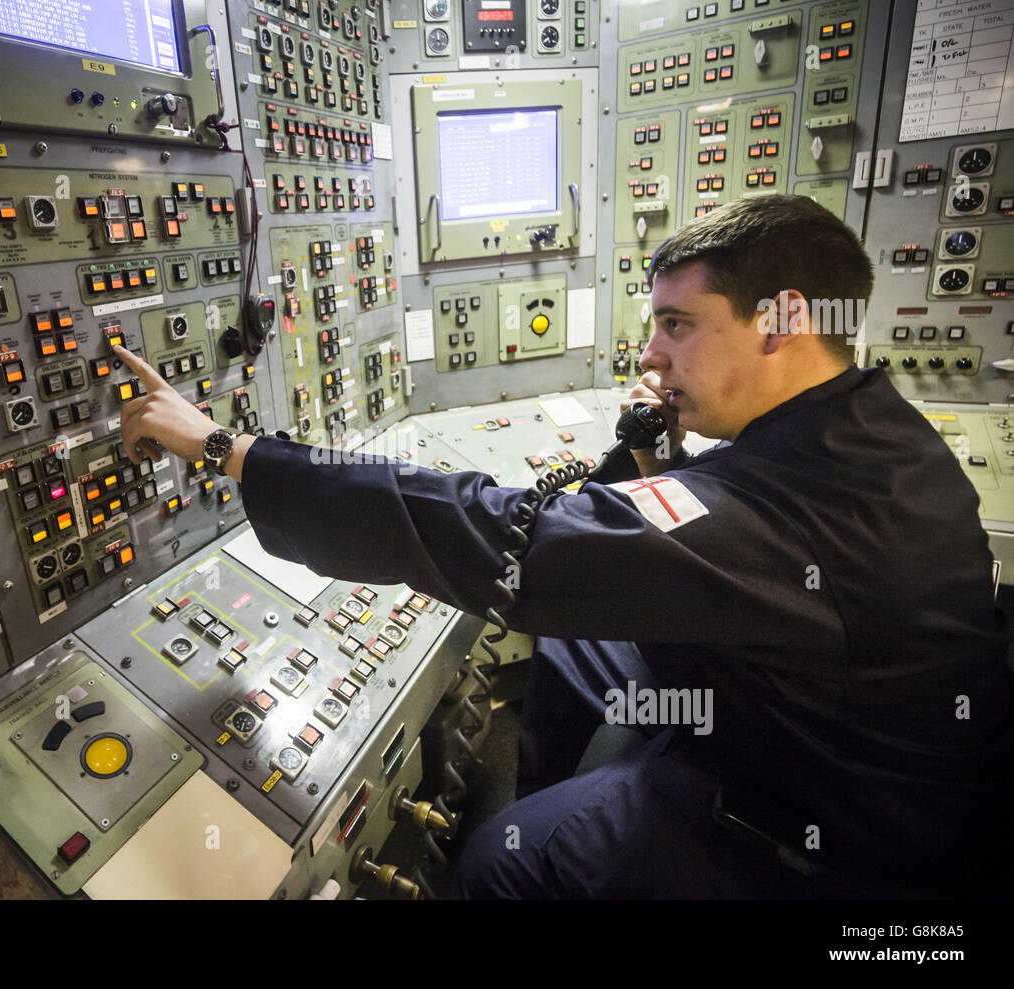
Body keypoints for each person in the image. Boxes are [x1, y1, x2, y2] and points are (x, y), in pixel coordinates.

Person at [112, 195, 1012, 898]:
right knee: (582, 637)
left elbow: (515, 540)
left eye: (679, 325)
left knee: (500, 862)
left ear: (779, 322)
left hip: (817, 842)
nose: (650, 354)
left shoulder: (796, 509)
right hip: (811, 731)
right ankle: (557, 802)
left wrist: (230, 449)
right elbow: (695, 535)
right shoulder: (867, 431)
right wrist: (657, 452)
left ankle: (542, 843)